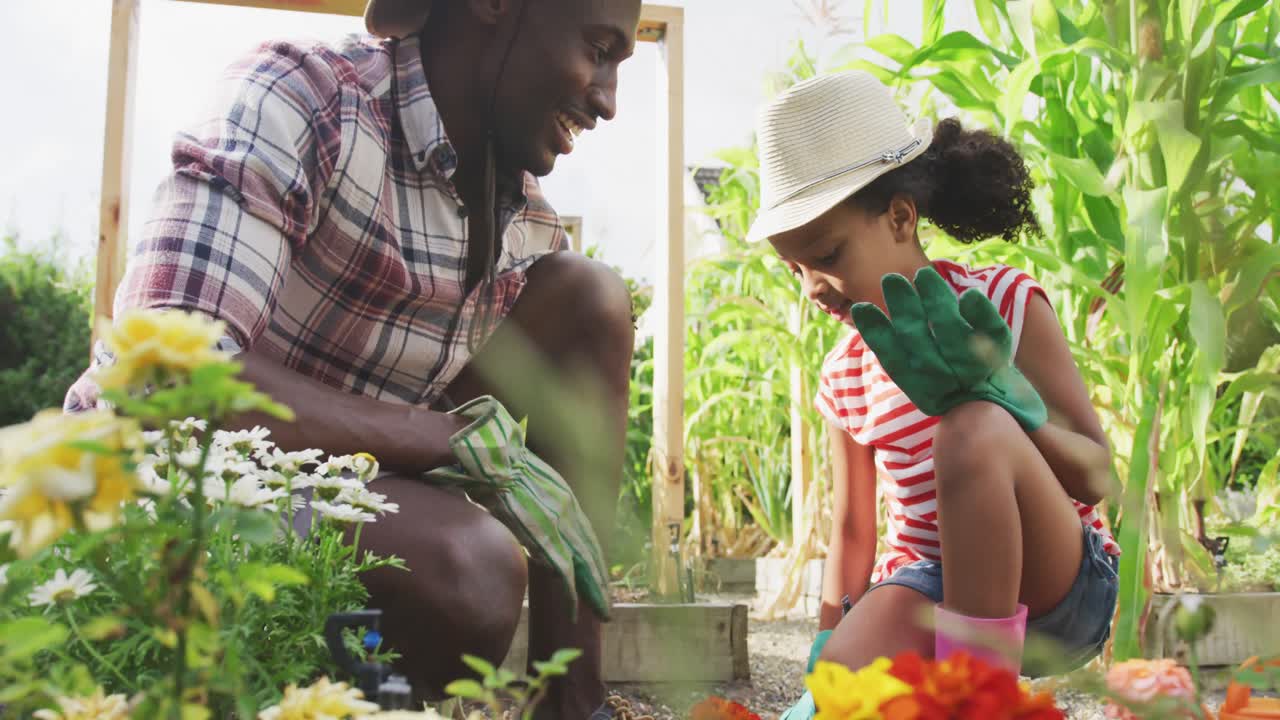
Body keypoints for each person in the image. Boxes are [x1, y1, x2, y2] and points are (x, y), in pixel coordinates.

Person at [63, 0, 644, 717]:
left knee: (592, 298)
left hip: (342, 490)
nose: (608, 99)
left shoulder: (522, 226)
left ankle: (575, 706)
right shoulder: (306, 98)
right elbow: (163, 372)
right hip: (165, 484)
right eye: (599, 48)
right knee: (472, 567)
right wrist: (451, 439)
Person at [743, 72, 1123, 718]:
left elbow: (1097, 476)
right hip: (931, 581)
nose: (812, 286)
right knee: (843, 687)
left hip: (1059, 583)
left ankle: (979, 701)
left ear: (899, 218)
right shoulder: (848, 371)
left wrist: (1007, 400)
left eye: (828, 254)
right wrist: (827, 645)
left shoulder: (1004, 305)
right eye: (795, 268)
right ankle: (948, 680)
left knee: (969, 428)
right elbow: (855, 529)